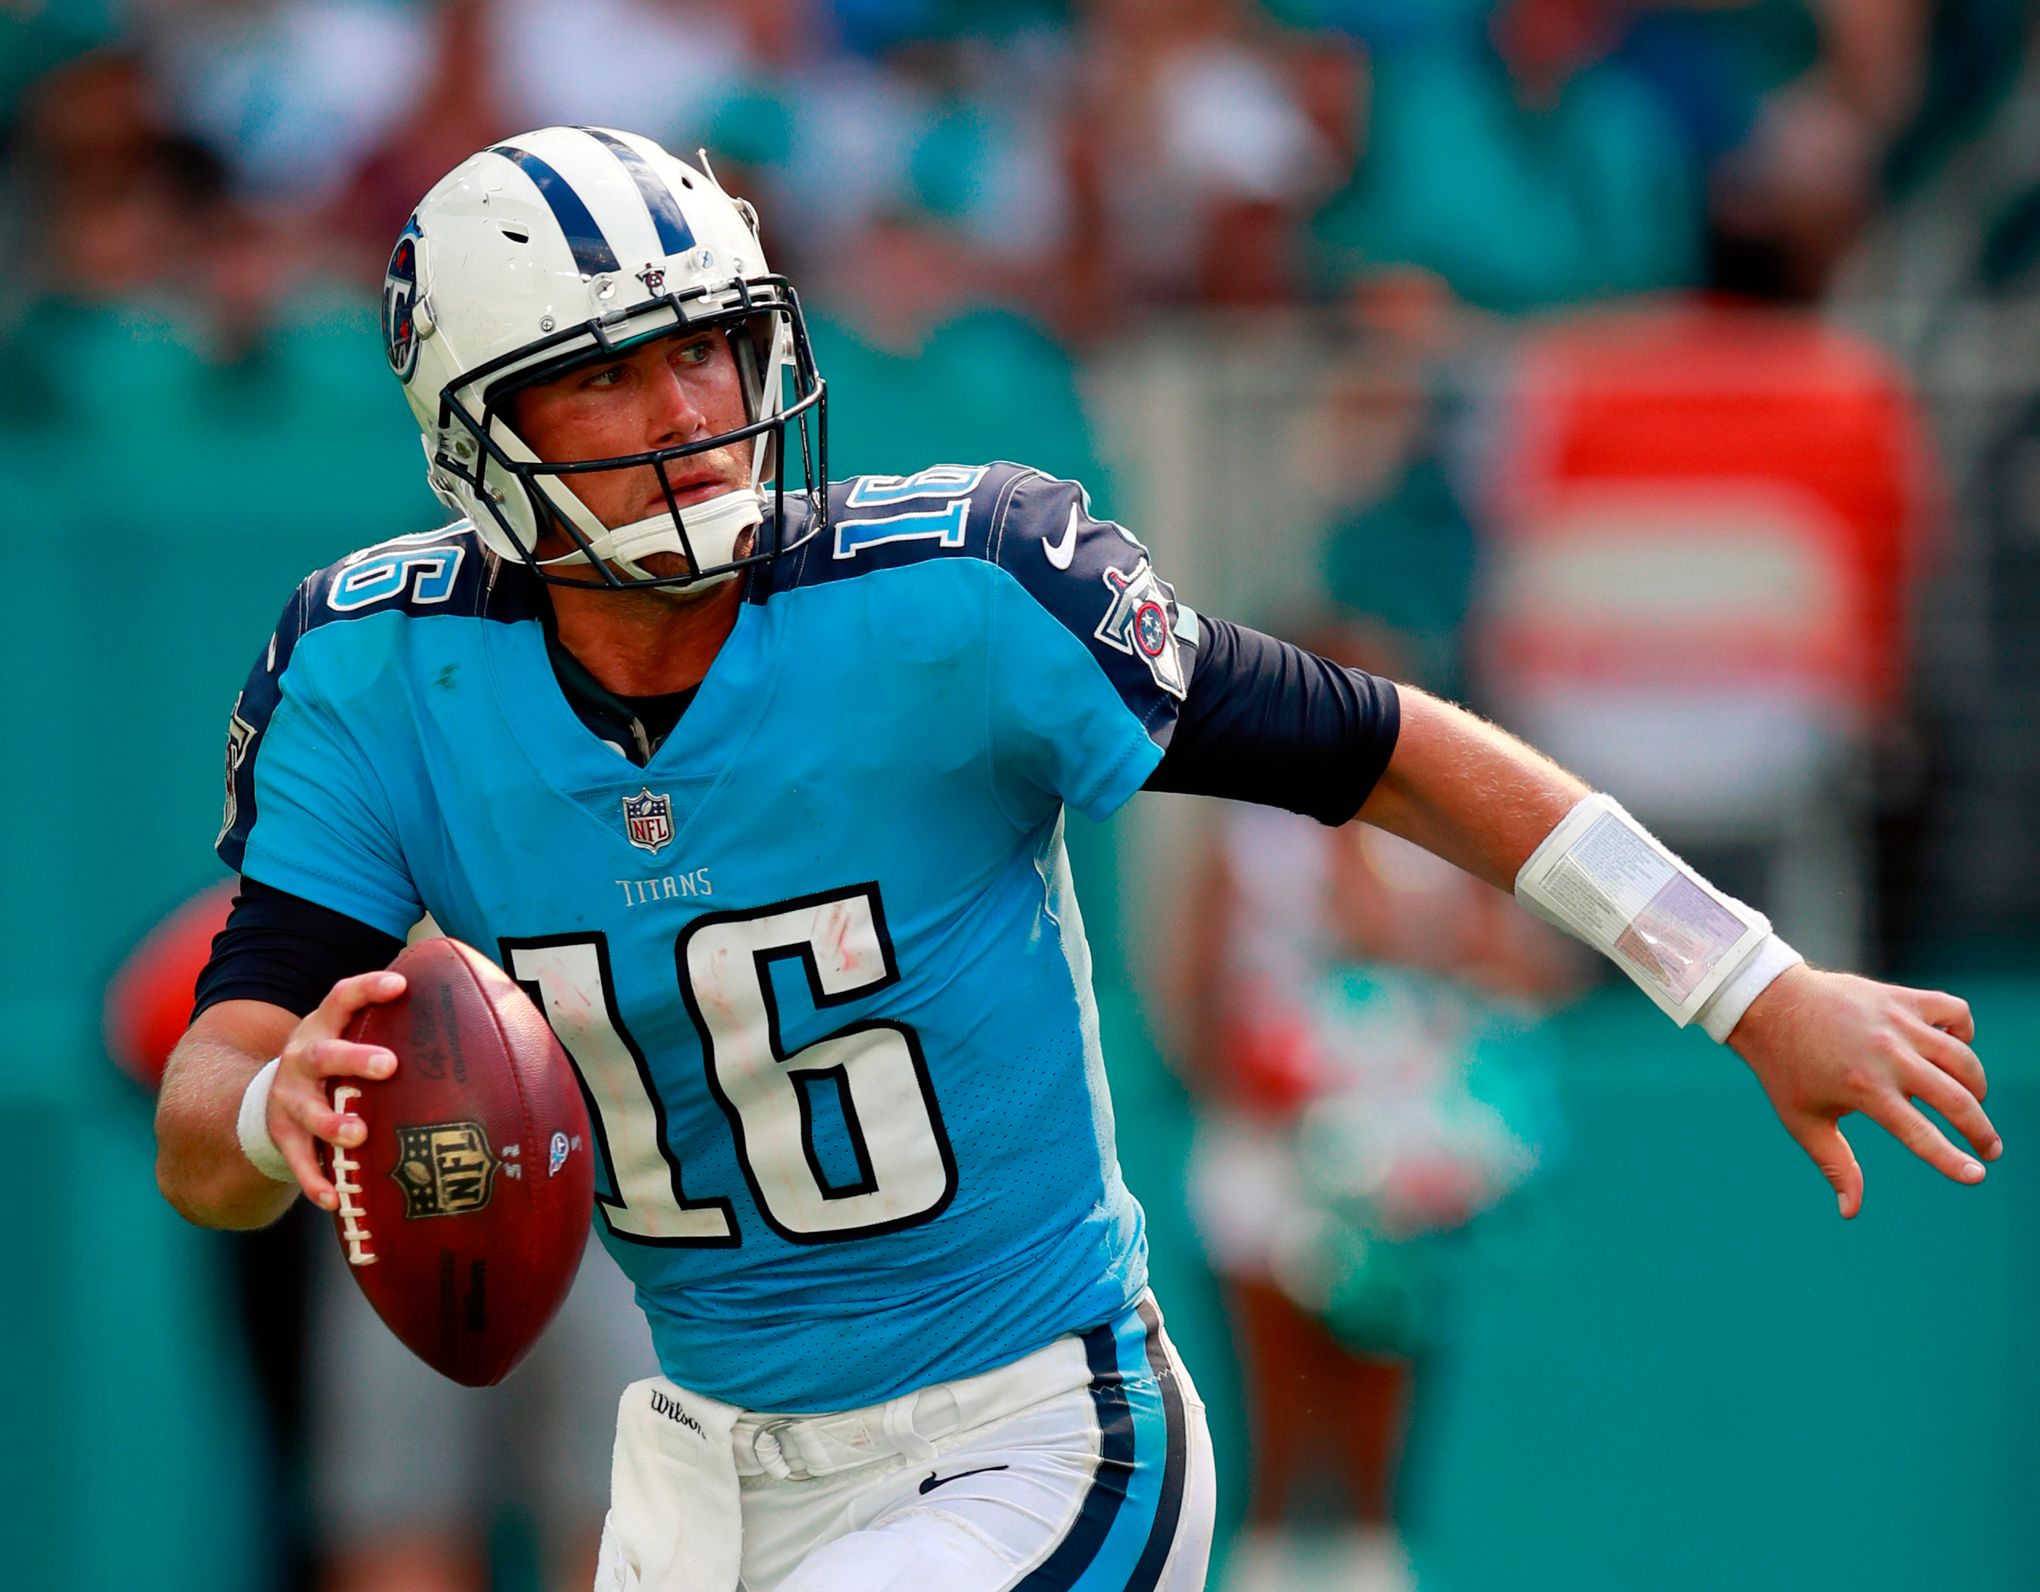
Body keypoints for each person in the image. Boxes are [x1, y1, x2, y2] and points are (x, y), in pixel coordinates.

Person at [153, 127, 1997, 1592]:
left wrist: (1745, 980)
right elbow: (206, 1110)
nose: (682, 410)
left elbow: (1388, 752)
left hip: (1029, 1438)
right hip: (697, 1473)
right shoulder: (379, 671)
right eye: (607, 375)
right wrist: (276, 1117)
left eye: (707, 344)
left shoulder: (957, 595)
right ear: (474, 432)